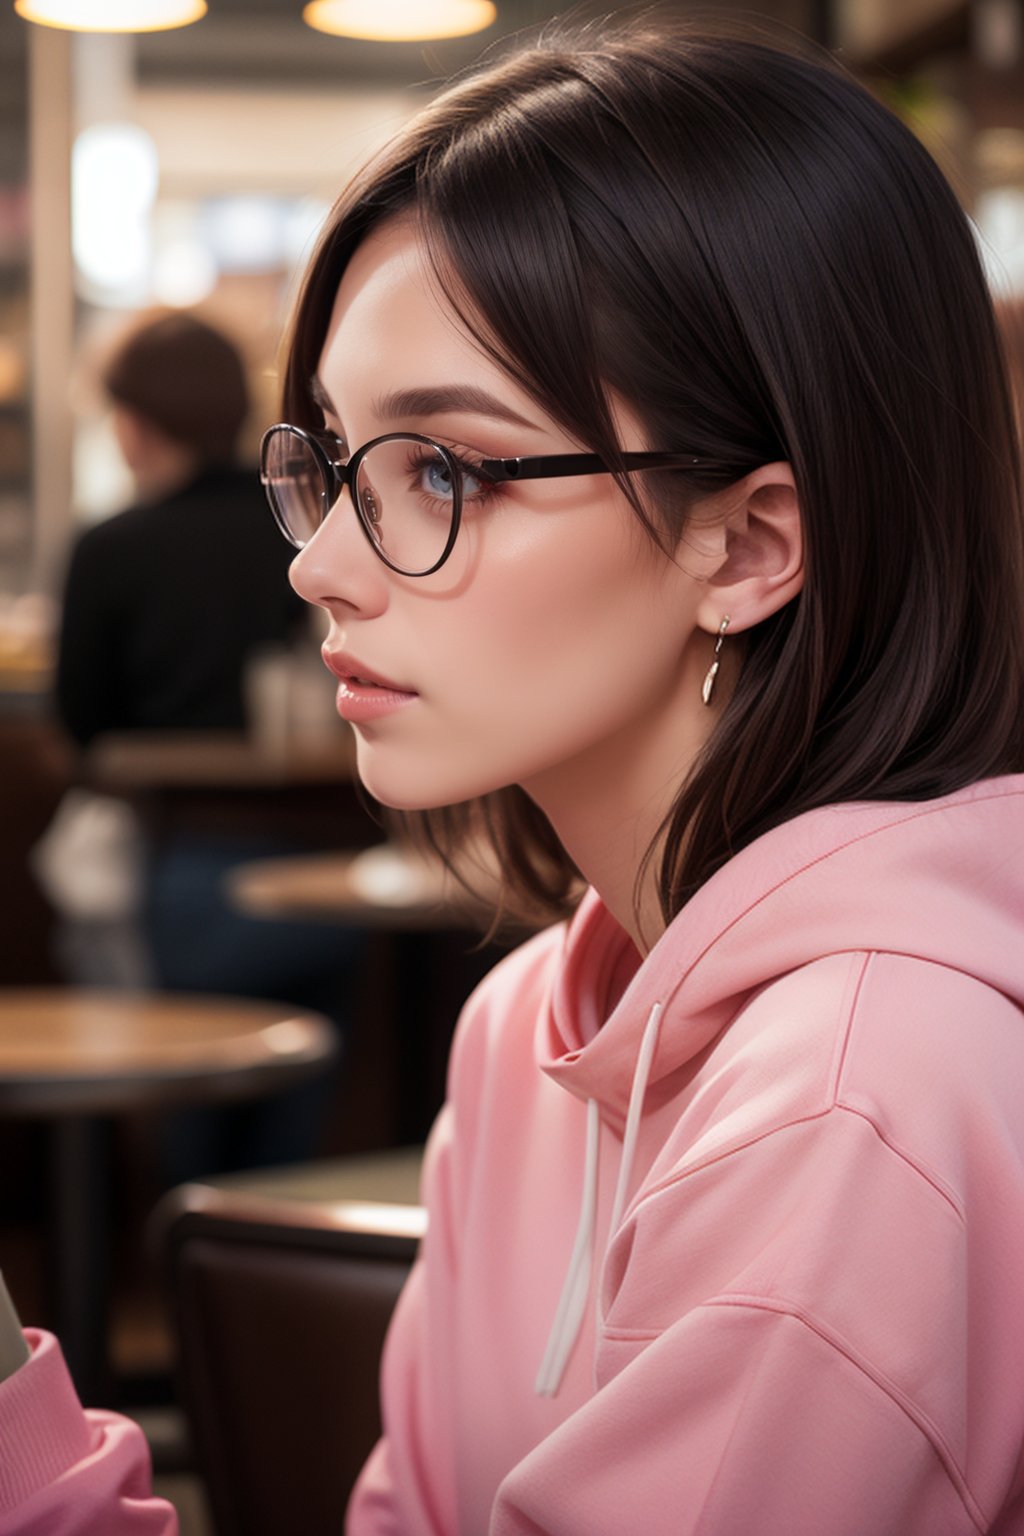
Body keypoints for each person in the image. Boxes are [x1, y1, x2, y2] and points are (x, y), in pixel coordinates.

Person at [4, 14, 1024, 1533]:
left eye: (446, 472)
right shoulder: (526, 1028)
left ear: (745, 545)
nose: (327, 568)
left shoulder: (861, 1098)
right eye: (340, 462)